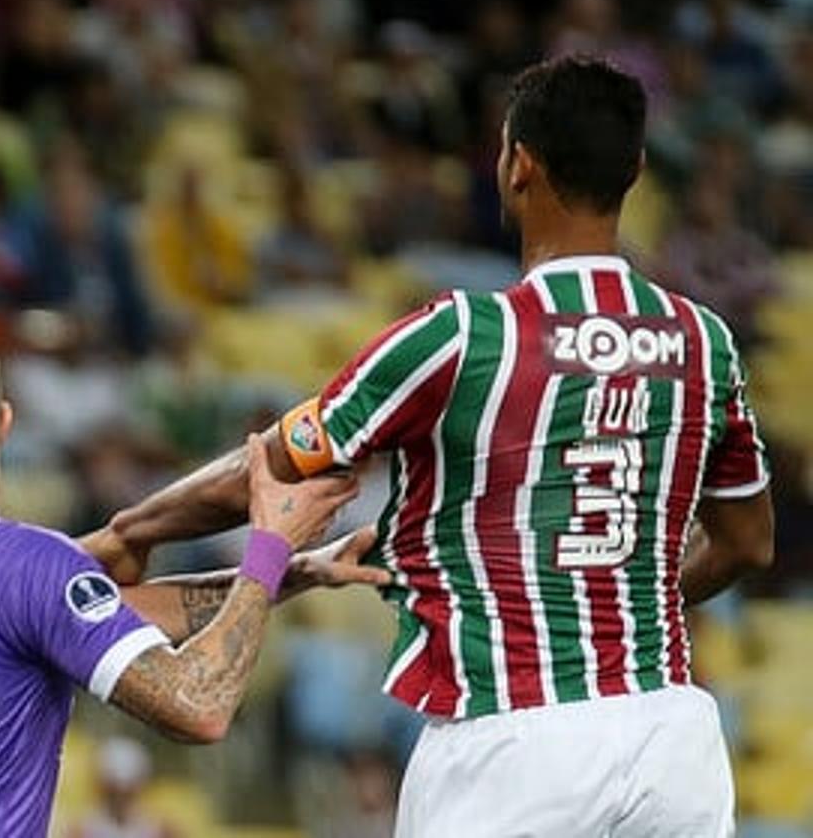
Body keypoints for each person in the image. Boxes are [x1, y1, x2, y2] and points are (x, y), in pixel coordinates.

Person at [83, 56, 776, 837]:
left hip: (511, 738)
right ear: (637, 170)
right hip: (673, 740)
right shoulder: (705, 341)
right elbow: (749, 543)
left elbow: (278, 464)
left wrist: (130, 530)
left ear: (517, 164)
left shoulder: (464, 335)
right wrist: (606, 616)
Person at [0, 323, 378, 836]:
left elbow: (100, 578)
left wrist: (300, 570)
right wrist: (271, 543)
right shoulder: (25, 569)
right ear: (3, 422)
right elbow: (200, 707)